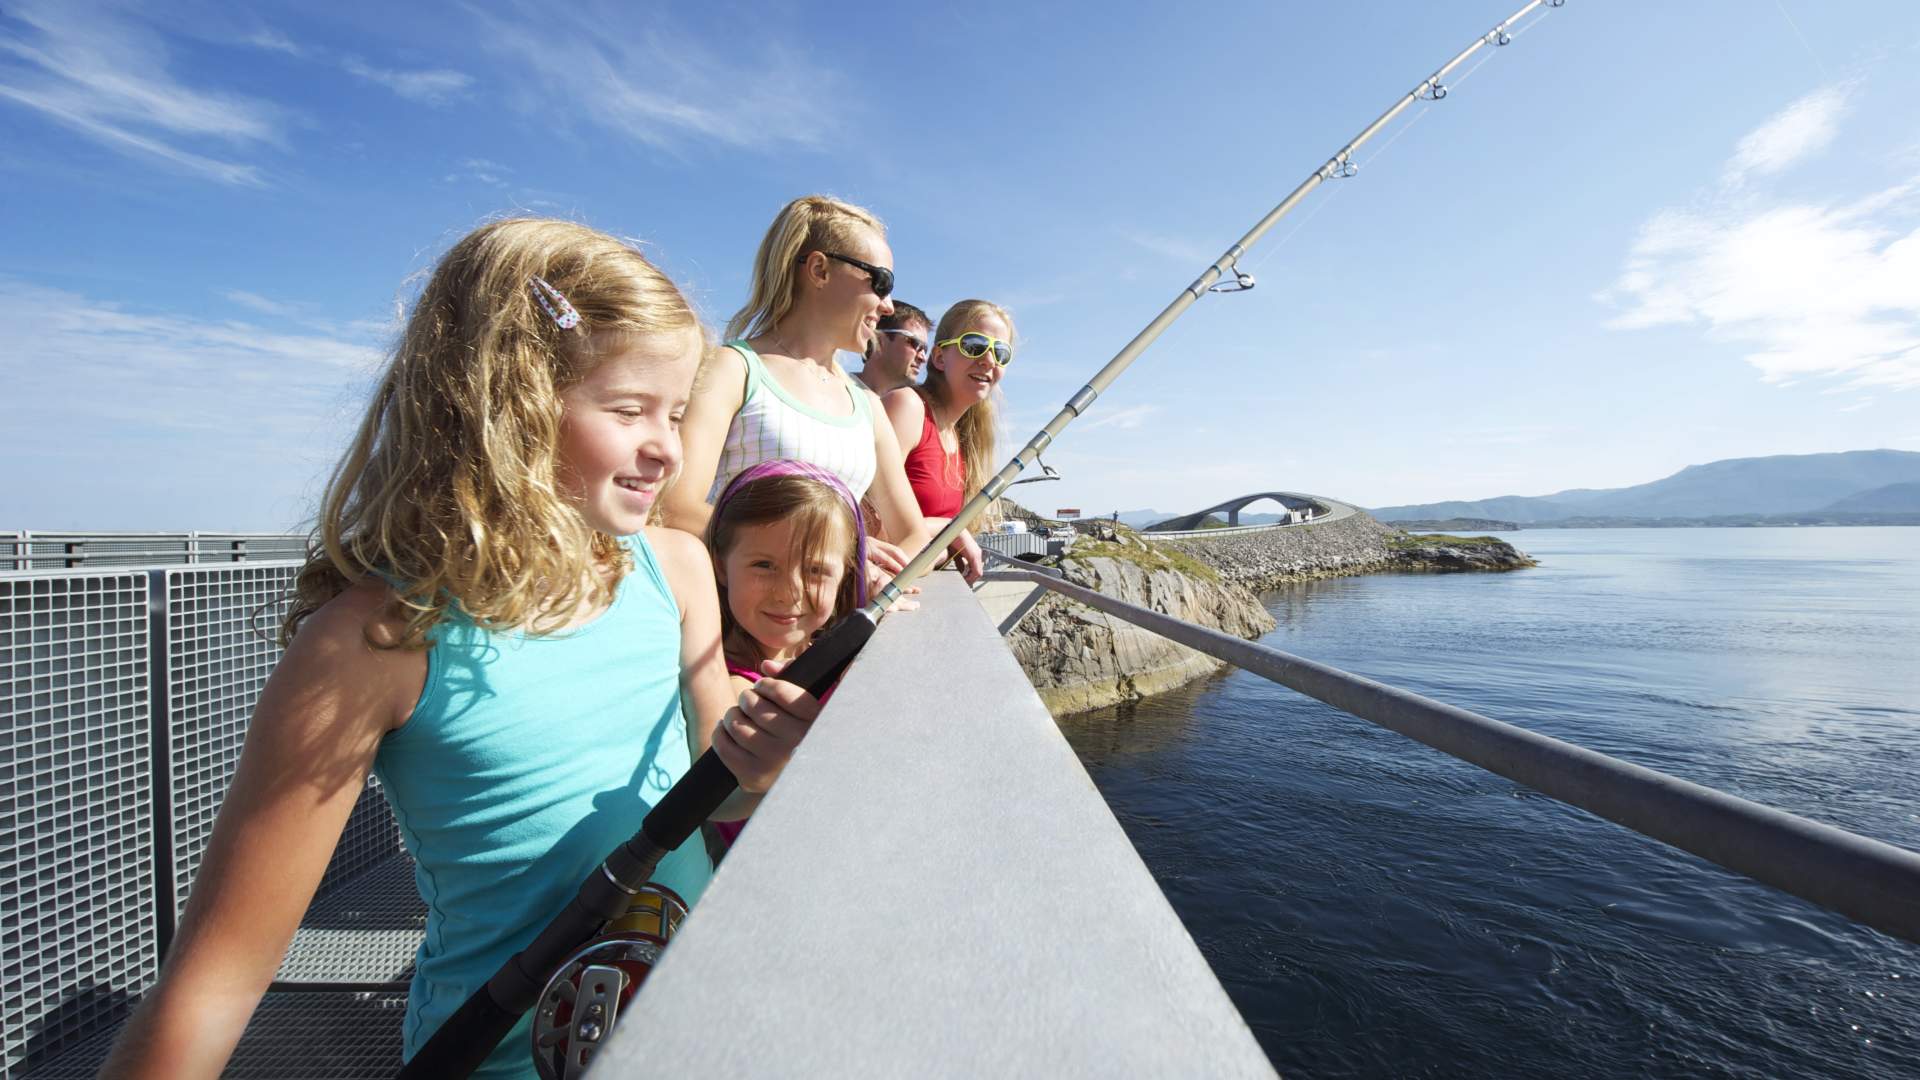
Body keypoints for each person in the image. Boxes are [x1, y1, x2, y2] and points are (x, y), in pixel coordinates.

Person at [100, 219, 821, 1080]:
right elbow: (213, 986)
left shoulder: (677, 569)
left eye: (674, 412)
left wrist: (763, 765)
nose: (668, 447)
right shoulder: (372, 641)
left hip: (692, 1030)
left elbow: (717, 787)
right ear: (507, 407)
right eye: (629, 409)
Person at [662, 194, 982, 585]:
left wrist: (871, 579)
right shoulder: (733, 369)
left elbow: (912, 536)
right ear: (819, 270)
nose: (887, 305)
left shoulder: (866, 404)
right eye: (881, 282)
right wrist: (830, 553)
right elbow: (675, 507)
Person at [703, 459, 867, 851]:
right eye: (764, 565)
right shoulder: (726, 686)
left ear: (845, 575)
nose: (788, 592)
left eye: (815, 570)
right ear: (721, 566)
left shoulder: (847, 658)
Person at [883, 299, 1016, 563]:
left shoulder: (961, 438)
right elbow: (865, 527)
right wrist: (948, 529)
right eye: (974, 346)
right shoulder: (908, 407)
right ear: (940, 357)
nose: (989, 360)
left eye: (1001, 353)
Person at [855, 300, 932, 396]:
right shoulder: (840, 392)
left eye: (925, 349)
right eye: (914, 343)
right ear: (878, 342)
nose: (923, 358)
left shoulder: (916, 403)